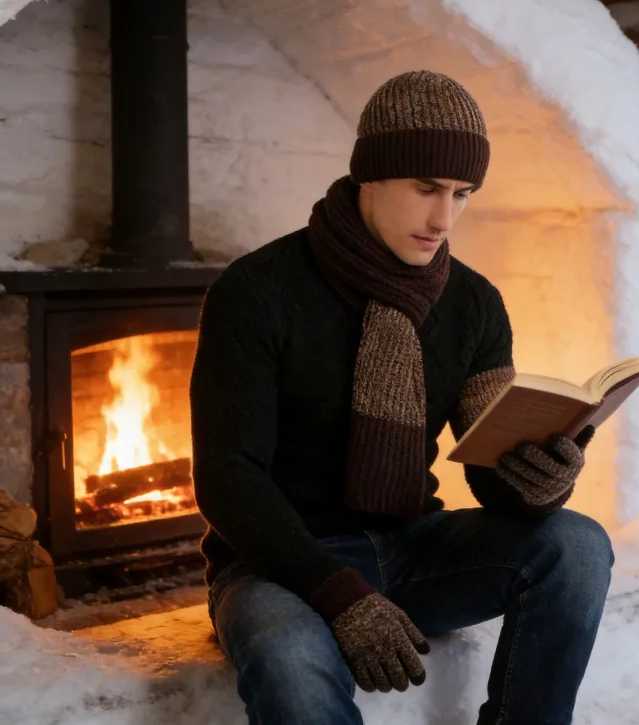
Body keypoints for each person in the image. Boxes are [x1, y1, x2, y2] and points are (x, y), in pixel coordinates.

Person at [190, 69, 613, 725]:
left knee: (577, 544)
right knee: (293, 671)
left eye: (462, 194)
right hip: (278, 563)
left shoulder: (473, 304)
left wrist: (537, 480)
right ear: (371, 175)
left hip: (414, 545)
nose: (444, 217)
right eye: (426, 189)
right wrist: (341, 596)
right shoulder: (257, 291)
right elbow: (227, 478)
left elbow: (487, 471)